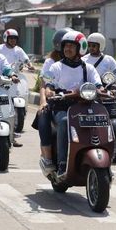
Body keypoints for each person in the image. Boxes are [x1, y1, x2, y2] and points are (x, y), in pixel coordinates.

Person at [44, 30, 102, 175]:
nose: (67, 49)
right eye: (66, 46)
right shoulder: (56, 66)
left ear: (80, 48)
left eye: (71, 46)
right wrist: (49, 91)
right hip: (61, 105)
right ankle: (63, 162)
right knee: (64, 121)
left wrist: (106, 91)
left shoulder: (88, 68)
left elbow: (98, 85)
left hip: (84, 105)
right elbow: (48, 84)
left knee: (100, 119)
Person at [37, 28, 72, 173]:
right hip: (56, 99)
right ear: (60, 45)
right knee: (44, 116)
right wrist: (43, 101)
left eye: (73, 45)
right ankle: (48, 158)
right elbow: (44, 84)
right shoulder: (51, 63)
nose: (70, 49)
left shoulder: (82, 63)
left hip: (78, 100)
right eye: (67, 45)